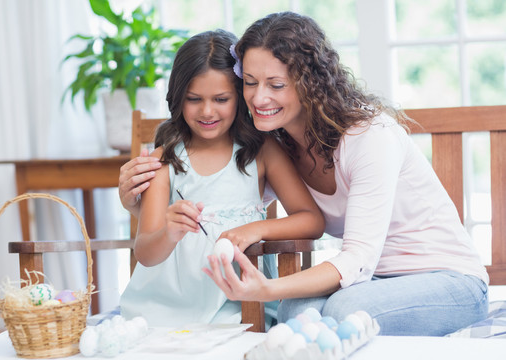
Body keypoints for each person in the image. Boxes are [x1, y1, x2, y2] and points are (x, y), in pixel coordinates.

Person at [119, 13, 489, 336]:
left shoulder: (370, 136)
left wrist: (266, 289)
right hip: (373, 282)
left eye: (276, 85)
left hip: (445, 280)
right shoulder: (278, 141)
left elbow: (356, 258)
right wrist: (137, 206)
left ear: (311, 82)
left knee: (341, 312)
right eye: (249, 82)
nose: (259, 98)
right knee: (295, 312)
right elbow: (222, 206)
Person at [119, 28, 325, 327]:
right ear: (178, 98)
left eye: (220, 98)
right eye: (193, 99)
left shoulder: (262, 151)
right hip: (160, 313)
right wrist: (169, 232)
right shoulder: (165, 159)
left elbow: (312, 220)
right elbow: (146, 253)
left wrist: (256, 229)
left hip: (239, 311)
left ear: (240, 97)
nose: (206, 110)